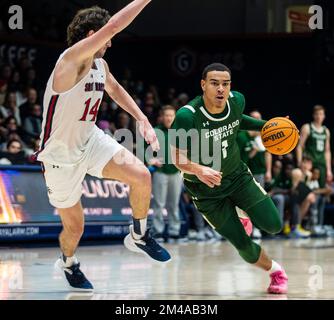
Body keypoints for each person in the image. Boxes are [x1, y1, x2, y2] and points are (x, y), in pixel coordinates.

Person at [35, 1, 170, 292]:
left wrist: (142, 118)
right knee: (75, 228)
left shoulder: (100, 64)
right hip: (60, 155)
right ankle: (68, 262)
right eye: (107, 38)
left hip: (91, 139)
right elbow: (114, 26)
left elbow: (115, 89)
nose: (110, 44)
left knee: (142, 175)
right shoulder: (71, 60)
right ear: (93, 34)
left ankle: (139, 234)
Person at [171, 63, 288, 294]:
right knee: (243, 246)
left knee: (274, 225)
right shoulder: (187, 116)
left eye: (225, 84)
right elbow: (175, 157)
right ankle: (276, 271)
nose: (220, 89)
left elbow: (238, 120)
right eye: (214, 83)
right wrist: (199, 169)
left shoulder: (236, 101)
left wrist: (268, 126)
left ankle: (242, 212)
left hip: (237, 178)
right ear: (203, 85)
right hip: (205, 192)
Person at [148, 105, 183, 242]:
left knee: (174, 204)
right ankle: (158, 231)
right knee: (158, 204)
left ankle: (175, 231)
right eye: (166, 115)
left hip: (176, 173)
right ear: (162, 117)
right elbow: (145, 149)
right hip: (160, 173)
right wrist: (151, 160)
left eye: (171, 115)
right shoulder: (155, 131)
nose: (169, 118)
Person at [297, 105, 333, 188]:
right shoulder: (307, 127)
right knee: (307, 188)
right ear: (313, 115)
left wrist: (329, 169)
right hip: (310, 163)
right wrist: (300, 162)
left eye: (321, 114)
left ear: (324, 116)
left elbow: (327, 151)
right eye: (317, 114)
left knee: (321, 188)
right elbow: (300, 146)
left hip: (321, 163)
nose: (319, 116)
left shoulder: (326, 131)